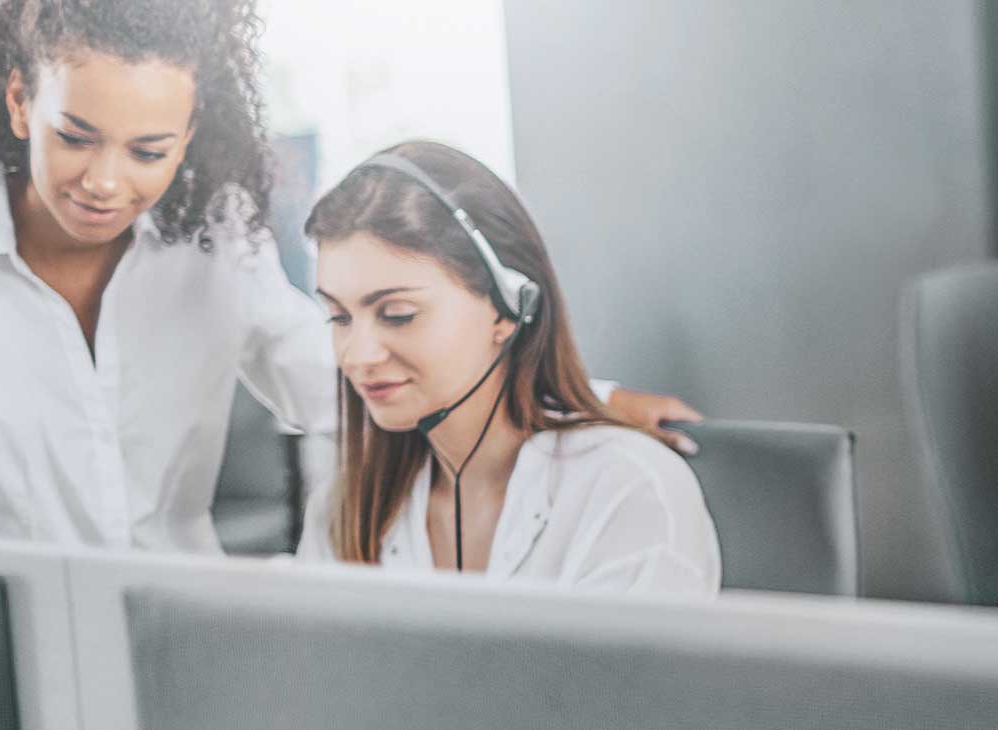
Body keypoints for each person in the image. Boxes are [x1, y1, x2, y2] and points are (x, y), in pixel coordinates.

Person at [0, 0, 701, 554]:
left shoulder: (214, 236)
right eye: (76, 137)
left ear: (190, 135)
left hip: (169, 631)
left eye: (148, 151)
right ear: (18, 101)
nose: (105, 182)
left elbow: (328, 377)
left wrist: (578, 400)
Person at [296, 141, 719, 596]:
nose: (358, 356)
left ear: (508, 307)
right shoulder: (344, 510)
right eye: (339, 317)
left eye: (398, 314)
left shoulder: (631, 493)